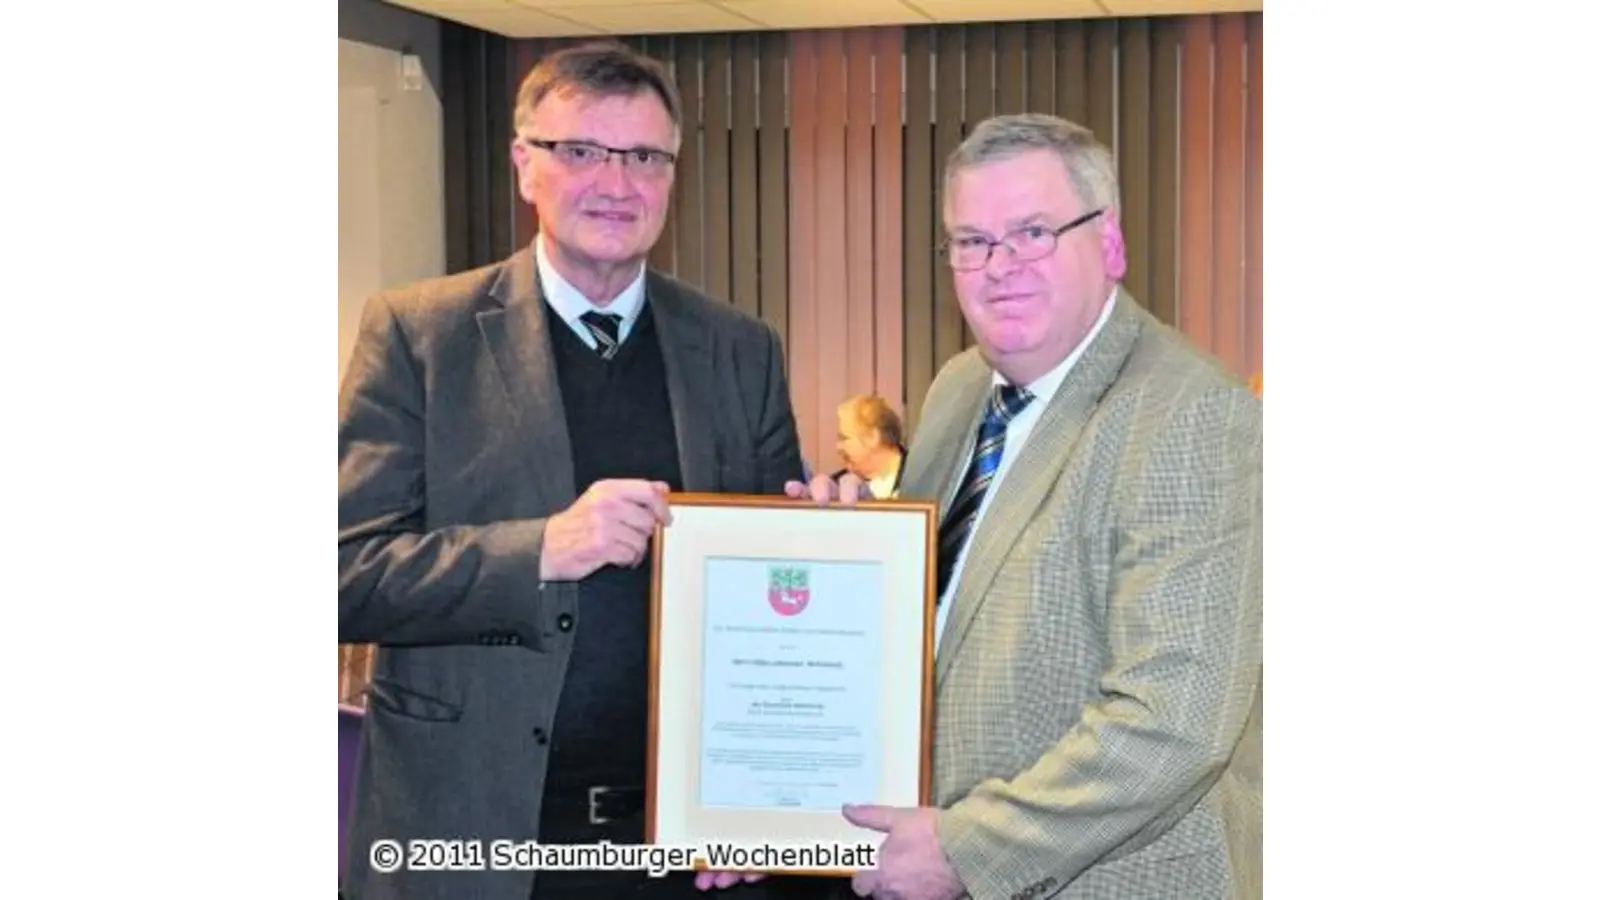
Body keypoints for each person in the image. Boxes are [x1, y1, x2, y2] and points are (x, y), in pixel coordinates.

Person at [337, 41, 832, 900]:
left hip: (680, 848)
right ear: (525, 165)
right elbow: (342, 573)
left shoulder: (740, 350)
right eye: (581, 152)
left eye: (644, 156)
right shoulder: (421, 337)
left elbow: (768, 601)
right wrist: (537, 549)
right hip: (479, 834)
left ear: (672, 174)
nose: (617, 182)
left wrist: (828, 539)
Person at [785, 113, 1263, 899]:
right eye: (970, 241)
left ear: (1109, 242)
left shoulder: (1191, 415)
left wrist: (966, 851)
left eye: (1033, 231)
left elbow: (1173, 719)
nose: (997, 265)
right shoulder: (958, 389)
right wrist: (847, 561)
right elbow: (938, 623)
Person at [829, 395, 907, 499]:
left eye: (844, 438)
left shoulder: (921, 478)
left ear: (873, 437)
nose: (838, 448)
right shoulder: (835, 488)